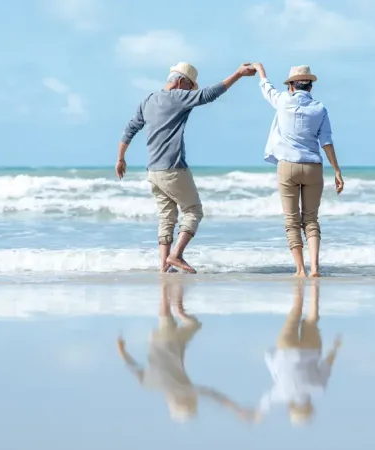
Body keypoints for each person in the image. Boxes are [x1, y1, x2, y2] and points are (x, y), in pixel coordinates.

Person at [116, 62, 257, 274]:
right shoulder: (178, 97)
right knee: (193, 211)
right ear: (181, 81)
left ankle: (164, 266)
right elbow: (208, 95)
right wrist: (237, 73)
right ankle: (176, 255)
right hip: (173, 168)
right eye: (190, 87)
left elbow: (130, 128)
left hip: (153, 170)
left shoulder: (148, 100)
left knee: (166, 217)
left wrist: (120, 158)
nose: (191, 92)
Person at [116, 279, 258, 423]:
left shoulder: (183, 390)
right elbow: (134, 368)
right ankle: (168, 289)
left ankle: (170, 291)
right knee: (171, 316)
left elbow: (213, 395)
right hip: (160, 341)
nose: (193, 399)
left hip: (171, 342)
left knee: (187, 321)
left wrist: (236, 409)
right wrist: (122, 350)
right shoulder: (150, 385)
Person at [253, 63, 344, 277]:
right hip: (313, 166)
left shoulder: (283, 101)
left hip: (287, 167)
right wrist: (337, 171)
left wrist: (260, 70)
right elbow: (327, 142)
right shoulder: (319, 108)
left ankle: (300, 269)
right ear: (310, 87)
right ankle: (315, 267)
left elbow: (267, 89)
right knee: (311, 219)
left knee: (291, 220)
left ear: (291, 86)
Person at [256, 281, 342, 426]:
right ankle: (300, 282)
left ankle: (314, 285)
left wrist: (335, 348)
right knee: (296, 311)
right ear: (291, 407)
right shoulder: (280, 394)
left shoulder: (319, 388)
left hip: (311, 350)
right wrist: (260, 413)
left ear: (310, 406)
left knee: (312, 320)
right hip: (286, 349)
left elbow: (327, 364)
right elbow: (265, 402)